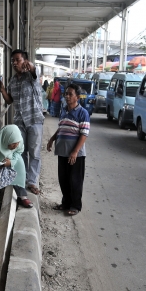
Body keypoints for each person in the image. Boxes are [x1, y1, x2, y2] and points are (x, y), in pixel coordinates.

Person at [0, 49, 44, 195]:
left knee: (34, 153)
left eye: (18, 60)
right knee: (20, 151)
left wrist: (31, 66)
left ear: (25, 61)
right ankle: (21, 179)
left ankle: (32, 182)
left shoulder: (31, 75)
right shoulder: (12, 80)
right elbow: (10, 100)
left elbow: (36, 71)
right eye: (13, 61)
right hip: (19, 121)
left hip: (34, 119)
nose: (15, 63)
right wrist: (3, 90)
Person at [46, 84, 90, 216]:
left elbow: (84, 134)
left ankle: (75, 206)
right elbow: (61, 128)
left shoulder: (83, 113)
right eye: (66, 94)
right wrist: (52, 139)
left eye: (71, 94)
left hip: (76, 154)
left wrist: (75, 151)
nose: (67, 96)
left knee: (75, 180)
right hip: (62, 152)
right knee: (63, 179)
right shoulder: (64, 110)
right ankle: (65, 203)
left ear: (77, 97)